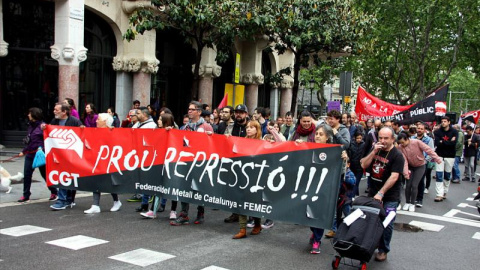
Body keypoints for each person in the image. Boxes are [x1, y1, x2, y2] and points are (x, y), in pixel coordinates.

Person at [360, 127, 405, 262]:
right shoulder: (376, 150)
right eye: (380, 138)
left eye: (386, 138)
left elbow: (394, 177)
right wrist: (373, 152)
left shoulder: (397, 155)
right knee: (371, 220)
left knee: (387, 223)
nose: (383, 141)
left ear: (392, 139)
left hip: (390, 195)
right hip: (373, 192)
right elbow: (363, 164)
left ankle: (383, 249)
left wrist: (381, 193)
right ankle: (370, 245)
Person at [232, 120, 279, 239]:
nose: (248, 129)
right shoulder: (241, 141)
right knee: (241, 201)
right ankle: (242, 229)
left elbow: (279, 145)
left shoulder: (263, 142)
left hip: (257, 178)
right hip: (243, 176)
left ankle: (257, 224)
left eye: (252, 127)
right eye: (247, 127)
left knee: (254, 204)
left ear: (257, 130)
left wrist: (273, 135)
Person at [170, 101, 213, 226]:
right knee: (183, 187)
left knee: (199, 188)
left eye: (192, 109)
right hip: (186, 163)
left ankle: (200, 212)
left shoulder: (206, 127)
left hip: (200, 163)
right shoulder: (185, 127)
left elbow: (213, 145)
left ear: (199, 112)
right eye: (189, 109)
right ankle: (184, 214)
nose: (189, 111)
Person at [141, 113, 178, 219]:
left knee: (173, 187)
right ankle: (153, 210)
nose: (158, 121)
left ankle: (173, 211)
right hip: (159, 162)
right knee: (157, 186)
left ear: (166, 121)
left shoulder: (174, 132)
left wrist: (170, 132)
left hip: (171, 163)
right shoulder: (156, 131)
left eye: (161, 119)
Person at [47, 103, 84, 210]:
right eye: (54, 109)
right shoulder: (54, 121)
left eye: (57, 110)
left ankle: (64, 200)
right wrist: (45, 128)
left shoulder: (75, 121)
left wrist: (82, 129)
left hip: (71, 156)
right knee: (63, 177)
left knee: (67, 177)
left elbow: (82, 135)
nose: (54, 111)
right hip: (59, 156)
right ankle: (65, 200)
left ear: (64, 112)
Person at [84, 113, 122, 214]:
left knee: (109, 183)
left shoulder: (112, 132)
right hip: (98, 160)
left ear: (105, 122)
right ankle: (95, 205)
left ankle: (116, 201)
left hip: (108, 161)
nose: (96, 121)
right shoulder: (95, 131)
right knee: (96, 181)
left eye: (99, 119)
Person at [17, 107, 57, 203]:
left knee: (44, 174)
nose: (28, 115)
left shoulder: (43, 126)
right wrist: (24, 151)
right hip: (30, 154)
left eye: (30, 114)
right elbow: (30, 140)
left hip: (39, 155)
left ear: (34, 115)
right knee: (27, 175)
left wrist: (42, 148)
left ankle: (54, 192)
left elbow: (48, 140)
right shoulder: (30, 125)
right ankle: (26, 195)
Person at [397, 132, 441, 212]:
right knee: (408, 185)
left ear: (407, 139)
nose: (402, 144)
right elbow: (404, 160)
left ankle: (412, 203)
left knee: (414, 185)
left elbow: (428, 150)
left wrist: (437, 158)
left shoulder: (416, 142)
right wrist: (405, 172)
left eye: (403, 142)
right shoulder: (400, 147)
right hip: (410, 166)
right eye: (400, 143)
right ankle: (407, 202)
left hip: (420, 166)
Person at [224, 104, 249, 224]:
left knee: (247, 190)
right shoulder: (230, 127)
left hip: (248, 163)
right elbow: (222, 141)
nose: (238, 114)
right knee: (234, 189)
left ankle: (248, 214)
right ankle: (235, 213)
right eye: (237, 112)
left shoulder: (251, 126)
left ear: (246, 114)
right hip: (233, 163)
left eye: (241, 112)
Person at [133, 107, 158, 212]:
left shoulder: (151, 126)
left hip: (148, 156)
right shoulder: (137, 124)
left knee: (147, 181)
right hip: (139, 155)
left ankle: (147, 202)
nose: (136, 115)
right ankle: (144, 203)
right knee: (142, 181)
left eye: (138, 113)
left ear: (144, 114)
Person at [433, 116, 458, 202]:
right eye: (442, 121)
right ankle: (439, 194)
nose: (443, 123)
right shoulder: (437, 132)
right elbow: (437, 143)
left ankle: (445, 191)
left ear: (448, 122)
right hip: (439, 155)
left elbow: (453, 144)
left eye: (445, 121)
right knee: (439, 174)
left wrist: (442, 141)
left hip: (450, 156)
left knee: (447, 175)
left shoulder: (454, 131)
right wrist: (448, 142)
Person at [413, 122, 435, 206]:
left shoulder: (429, 140)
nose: (420, 130)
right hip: (412, 162)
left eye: (422, 129)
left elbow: (431, 151)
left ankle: (419, 199)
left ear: (424, 130)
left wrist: (425, 160)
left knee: (420, 181)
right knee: (412, 182)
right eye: (418, 128)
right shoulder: (412, 138)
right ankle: (413, 198)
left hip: (422, 163)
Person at [348, 132, 366, 196]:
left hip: (360, 167)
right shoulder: (351, 144)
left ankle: (353, 196)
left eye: (360, 138)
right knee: (353, 182)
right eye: (357, 138)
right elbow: (349, 154)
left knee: (356, 182)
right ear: (355, 138)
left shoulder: (364, 145)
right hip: (352, 166)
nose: (359, 139)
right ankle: (356, 194)